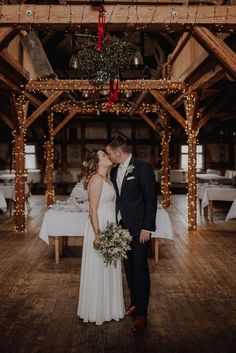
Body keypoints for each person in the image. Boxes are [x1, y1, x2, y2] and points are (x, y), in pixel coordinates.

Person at [106, 135, 157, 330]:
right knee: (128, 268)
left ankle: (142, 313)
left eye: (110, 153)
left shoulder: (142, 167)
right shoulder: (114, 171)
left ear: (119, 151)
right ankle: (135, 303)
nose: (109, 157)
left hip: (140, 229)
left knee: (140, 268)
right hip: (122, 229)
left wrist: (147, 227)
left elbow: (151, 199)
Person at [78, 150, 124, 325]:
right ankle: (97, 310)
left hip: (110, 225)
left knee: (109, 267)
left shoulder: (108, 180)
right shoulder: (96, 179)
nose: (107, 156)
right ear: (97, 162)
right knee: (99, 266)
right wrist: (98, 235)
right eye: (103, 155)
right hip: (100, 227)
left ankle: (110, 308)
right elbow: (92, 210)